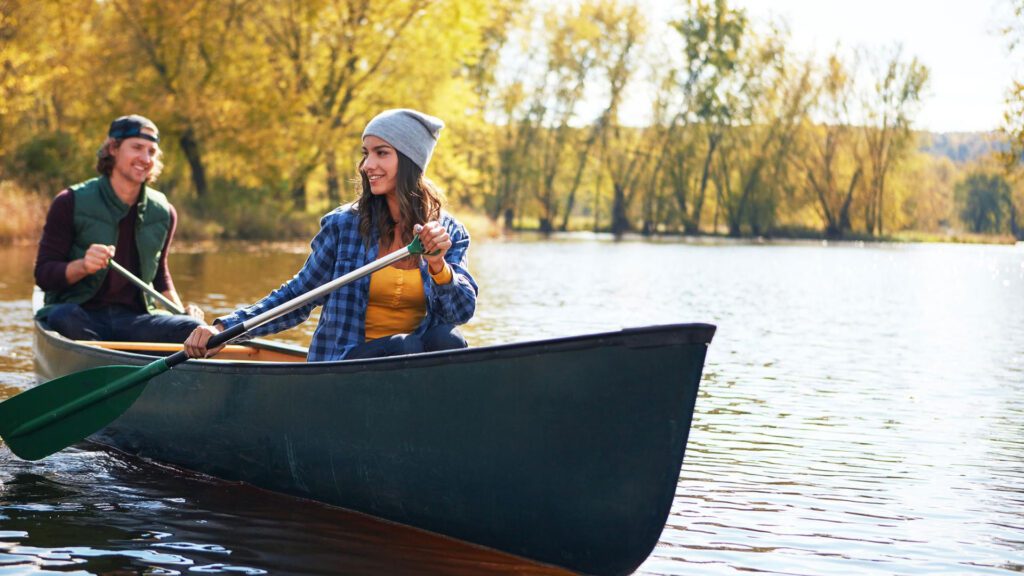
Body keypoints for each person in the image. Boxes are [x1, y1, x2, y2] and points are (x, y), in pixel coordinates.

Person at [183, 108, 477, 361]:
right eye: (366, 153)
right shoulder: (344, 225)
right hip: (347, 362)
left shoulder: (448, 232)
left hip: (411, 366)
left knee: (449, 341)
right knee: (405, 346)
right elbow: (297, 296)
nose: (367, 165)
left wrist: (439, 266)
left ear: (411, 161)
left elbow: (461, 312)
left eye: (381, 153)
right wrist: (223, 331)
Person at [34, 114, 204, 342]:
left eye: (152, 152)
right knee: (64, 317)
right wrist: (83, 266)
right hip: (80, 315)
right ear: (113, 148)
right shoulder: (69, 201)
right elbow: (44, 275)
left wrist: (182, 313)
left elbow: (160, 276)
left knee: (194, 327)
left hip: (135, 321)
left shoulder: (164, 212)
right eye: (137, 148)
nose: (145, 158)